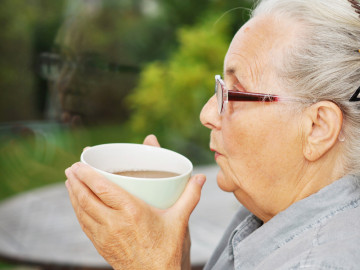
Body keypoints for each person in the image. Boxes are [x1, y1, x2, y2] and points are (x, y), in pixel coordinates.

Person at [64, 0, 360, 269]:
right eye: (220, 88)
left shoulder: (321, 263)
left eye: (235, 93)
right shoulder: (266, 211)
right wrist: (171, 255)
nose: (207, 114)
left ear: (317, 128)